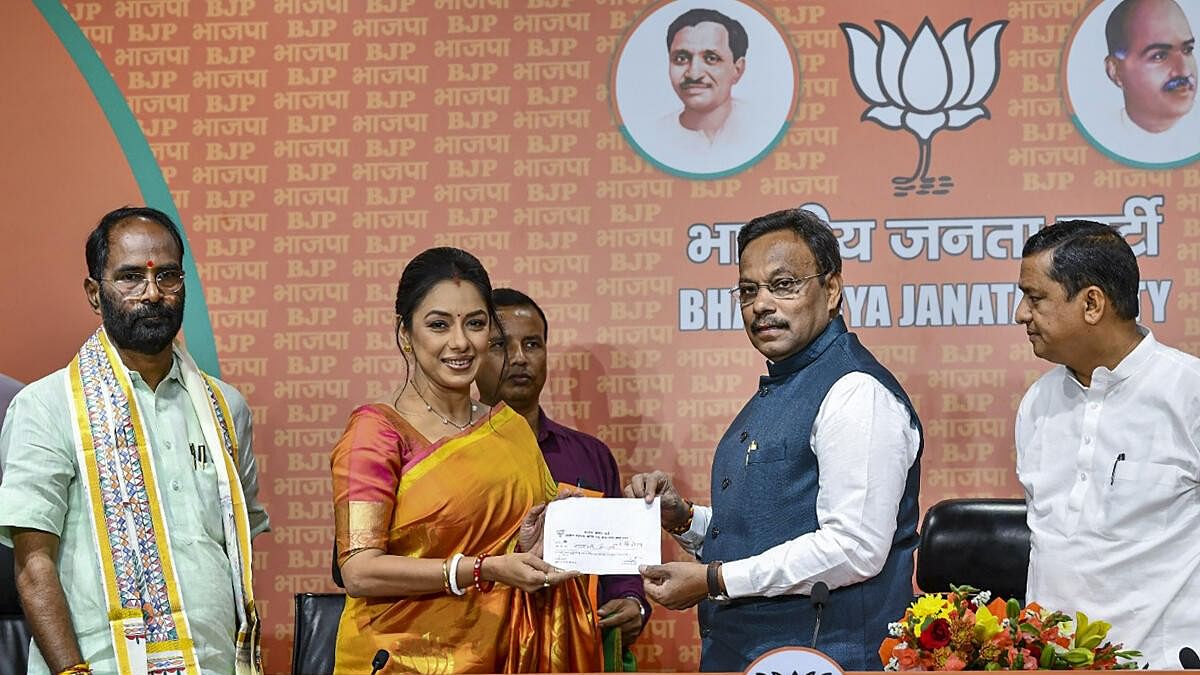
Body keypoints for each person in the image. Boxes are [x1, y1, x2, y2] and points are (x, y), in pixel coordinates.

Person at [626, 208, 923, 671]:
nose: (761, 304)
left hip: (831, 656)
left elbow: (853, 548)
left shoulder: (855, 391)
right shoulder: (784, 386)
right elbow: (769, 530)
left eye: (783, 285)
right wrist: (684, 520)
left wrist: (714, 580)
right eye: (748, 290)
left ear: (831, 290)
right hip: (756, 655)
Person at [0, 206, 269, 675]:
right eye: (130, 278)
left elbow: (234, 551)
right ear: (93, 292)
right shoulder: (46, 406)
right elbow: (32, 565)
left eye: (167, 276)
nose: (152, 294)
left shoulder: (227, 409)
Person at [330, 248, 601, 673]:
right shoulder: (378, 431)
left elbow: (515, 538)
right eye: (439, 324)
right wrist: (482, 569)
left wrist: (527, 543)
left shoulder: (507, 426)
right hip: (399, 658)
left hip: (499, 656)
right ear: (405, 333)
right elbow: (360, 571)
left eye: (474, 324)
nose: (460, 342)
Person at [1014, 220, 1200, 669]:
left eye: (1035, 297)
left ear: (1092, 303)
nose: (1021, 313)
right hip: (1052, 662)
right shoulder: (1037, 404)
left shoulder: (1189, 393)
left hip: (1165, 664)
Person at [474, 288, 650, 662]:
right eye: (500, 345)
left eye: (533, 344)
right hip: (481, 651)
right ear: (472, 354)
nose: (520, 358)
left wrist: (633, 602)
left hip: (577, 652)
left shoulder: (589, 455)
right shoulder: (449, 456)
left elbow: (619, 564)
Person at [644, 8, 764, 173]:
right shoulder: (653, 137)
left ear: (737, 69)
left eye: (711, 59)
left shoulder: (762, 126)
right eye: (681, 58)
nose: (694, 73)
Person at [1101, 0, 1198, 155]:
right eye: (1160, 56)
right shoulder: (1103, 137)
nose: (1184, 71)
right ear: (1115, 71)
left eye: (1187, 50)